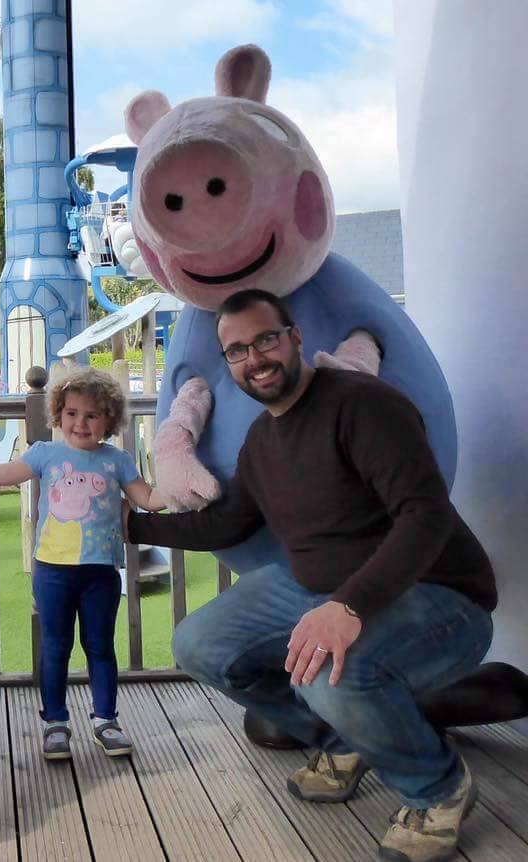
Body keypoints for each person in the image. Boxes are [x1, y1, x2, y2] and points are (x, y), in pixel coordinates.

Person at [125, 288, 496, 862]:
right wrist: (135, 526)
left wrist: (348, 608)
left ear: (295, 338)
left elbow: (423, 515)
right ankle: (342, 742)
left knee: (327, 674)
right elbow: (225, 525)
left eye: (266, 339)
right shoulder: (263, 443)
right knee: (197, 644)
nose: (256, 358)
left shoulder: (364, 405)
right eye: (238, 350)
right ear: (229, 363)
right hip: (317, 590)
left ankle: (439, 789)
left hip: (440, 596)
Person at [0, 368, 164, 760]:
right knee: (55, 647)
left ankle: (105, 721)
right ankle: (56, 723)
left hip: (101, 573)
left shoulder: (117, 460)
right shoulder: (46, 454)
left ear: (109, 420)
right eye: (72, 413)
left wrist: (188, 485)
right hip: (52, 572)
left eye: (92, 415)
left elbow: (147, 497)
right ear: (59, 415)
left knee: (100, 647)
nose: (81, 423)